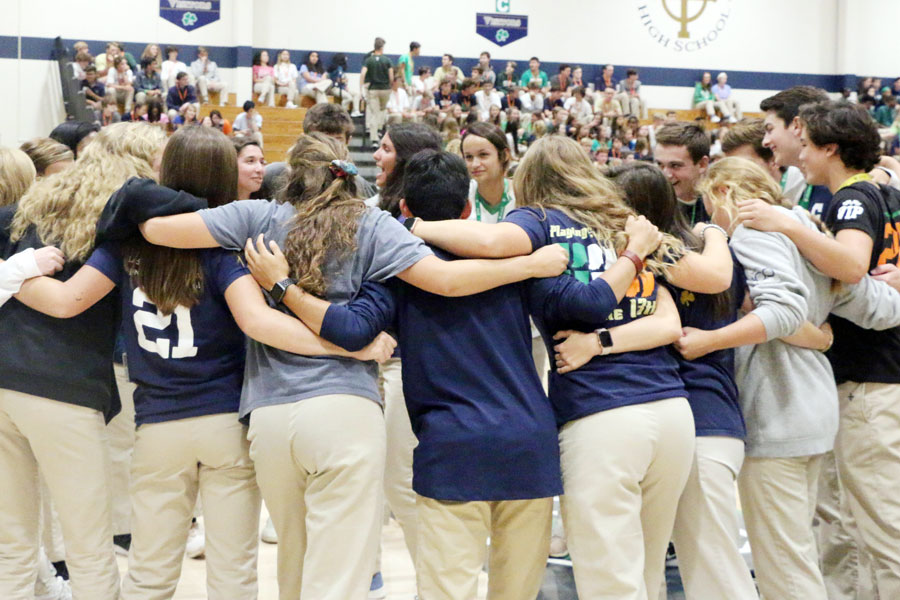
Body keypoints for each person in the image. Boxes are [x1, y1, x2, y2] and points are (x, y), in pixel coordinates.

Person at [110, 131, 568, 600]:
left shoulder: (256, 216)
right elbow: (445, 280)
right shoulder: (371, 223)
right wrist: (528, 266)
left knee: (294, 559)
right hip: (344, 409)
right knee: (341, 575)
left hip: (268, 414)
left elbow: (155, 229)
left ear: (289, 177)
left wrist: (148, 187)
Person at [16, 126, 392, 600]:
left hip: (156, 425)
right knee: (232, 575)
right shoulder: (227, 249)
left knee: (149, 575)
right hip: (224, 420)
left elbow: (68, 301)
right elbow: (259, 324)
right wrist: (347, 346)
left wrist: (12, 275)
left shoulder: (127, 244)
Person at [678, 155, 900, 600]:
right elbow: (881, 308)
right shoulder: (808, 229)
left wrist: (708, 339)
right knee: (802, 551)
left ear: (724, 193)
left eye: (708, 202)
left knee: (785, 566)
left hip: (776, 407)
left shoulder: (751, 232)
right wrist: (815, 335)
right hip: (814, 406)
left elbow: (782, 310)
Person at [738, 101, 900, 599]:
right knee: (856, 521)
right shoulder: (885, 191)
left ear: (830, 147)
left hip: (867, 377)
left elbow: (850, 268)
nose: (798, 154)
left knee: (881, 522)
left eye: (805, 145)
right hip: (873, 376)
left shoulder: (848, 199)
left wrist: (788, 225)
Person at [0, 122, 166, 600]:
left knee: (13, 542)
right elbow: (69, 301)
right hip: (63, 390)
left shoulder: (27, 211)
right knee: (89, 544)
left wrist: (18, 276)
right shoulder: (114, 232)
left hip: (6, 380)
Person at [759, 85, 833, 215]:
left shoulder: (837, 186)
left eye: (770, 129)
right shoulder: (809, 182)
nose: (765, 142)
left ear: (796, 125)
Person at [655, 121, 711, 225]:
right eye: (660, 165)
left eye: (675, 165)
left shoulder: (719, 206)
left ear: (702, 164)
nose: (666, 175)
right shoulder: (649, 203)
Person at [360, 38, 394, 149]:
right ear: (382, 47)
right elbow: (391, 76)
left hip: (373, 89)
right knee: (382, 110)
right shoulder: (387, 60)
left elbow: (363, 74)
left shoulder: (369, 60)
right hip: (385, 89)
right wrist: (390, 86)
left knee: (374, 113)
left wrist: (361, 88)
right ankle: (379, 129)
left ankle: (374, 139)